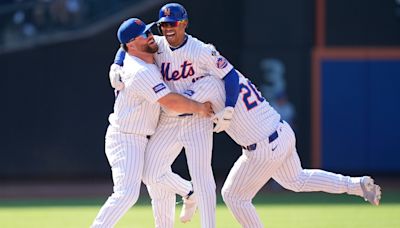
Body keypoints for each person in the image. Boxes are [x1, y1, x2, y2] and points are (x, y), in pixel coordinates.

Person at [179, 73, 382, 227]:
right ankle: (357, 185)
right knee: (297, 180)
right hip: (282, 130)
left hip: (263, 147)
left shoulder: (207, 83)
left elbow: (174, 105)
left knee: (233, 196)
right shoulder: (232, 74)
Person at [109, 3, 241, 228]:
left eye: (172, 23)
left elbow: (230, 74)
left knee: (202, 177)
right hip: (168, 119)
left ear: (184, 23)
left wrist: (229, 106)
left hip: (197, 119)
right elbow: (128, 44)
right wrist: (116, 64)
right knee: (151, 174)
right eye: (163, 25)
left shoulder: (200, 49)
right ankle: (188, 193)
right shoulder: (157, 44)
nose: (167, 29)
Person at [91, 17, 213, 228]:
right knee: (126, 194)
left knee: (160, 189)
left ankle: (189, 192)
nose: (150, 36)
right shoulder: (139, 71)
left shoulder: (146, 51)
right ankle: (189, 191)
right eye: (144, 34)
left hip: (147, 133)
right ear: (132, 44)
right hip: (126, 138)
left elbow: (122, 47)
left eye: (149, 31)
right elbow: (170, 101)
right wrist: (200, 108)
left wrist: (117, 61)